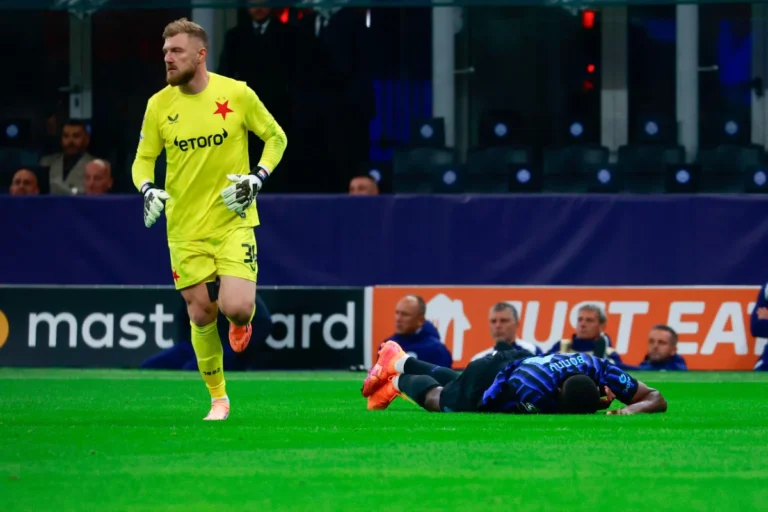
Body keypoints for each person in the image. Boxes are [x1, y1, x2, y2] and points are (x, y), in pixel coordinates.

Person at [131, 18, 287, 421]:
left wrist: (257, 177)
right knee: (200, 313)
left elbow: (276, 137)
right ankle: (219, 399)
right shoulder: (158, 105)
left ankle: (239, 321)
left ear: (200, 55)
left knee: (238, 307)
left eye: (176, 51)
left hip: (232, 219)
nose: (168, 58)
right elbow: (143, 160)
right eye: (165, 51)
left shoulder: (236, 93)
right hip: (184, 228)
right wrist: (147, 189)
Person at [363, 341, 667, 415]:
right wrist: (602, 407)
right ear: (557, 392)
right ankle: (395, 380)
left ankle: (400, 360)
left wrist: (631, 409)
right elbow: (552, 409)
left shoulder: (599, 366)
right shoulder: (534, 392)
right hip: (498, 376)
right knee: (442, 399)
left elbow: (656, 398)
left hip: (518, 360)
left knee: (458, 382)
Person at [470, 302, 542, 361]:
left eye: (504, 321)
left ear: (516, 324)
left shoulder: (532, 351)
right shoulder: (479, 359)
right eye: (493, 321)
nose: (497, 326)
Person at [622, 325, 687, 371]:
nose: (655, 346)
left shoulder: (677, 370)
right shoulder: (645, 365)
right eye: (651, 341)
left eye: (661, 342)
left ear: (673, 350)